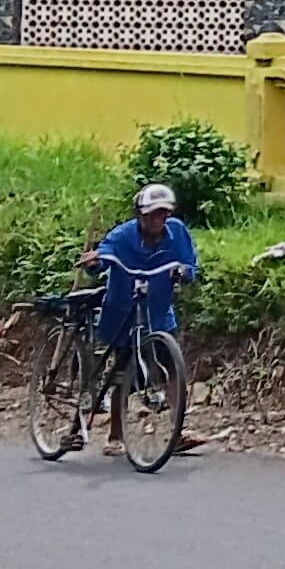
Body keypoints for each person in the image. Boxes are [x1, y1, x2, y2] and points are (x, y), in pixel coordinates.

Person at [70, 183, 199, 445]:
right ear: (140, 215)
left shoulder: (177, 232)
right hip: (123, 313)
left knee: (172, 367)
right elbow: (104, 257)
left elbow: (189, 266)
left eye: (163, 214)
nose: (158, 220)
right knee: (122, 373)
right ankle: (115, 436)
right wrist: (95, 262)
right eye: (152, 215)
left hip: (159, 313)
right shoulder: (122, 236)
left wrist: (183, 272)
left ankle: (177, 432)